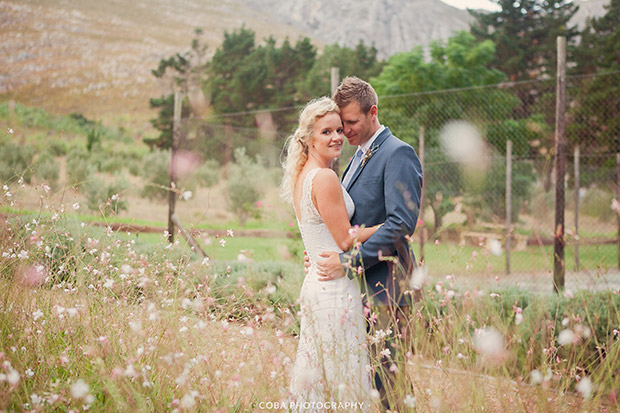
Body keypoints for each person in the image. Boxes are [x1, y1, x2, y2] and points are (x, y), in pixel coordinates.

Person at [314, 76, 423, 408]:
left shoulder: (398, 153)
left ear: (372, 112)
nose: (344, 131)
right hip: (356, 291)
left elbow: (401, 226)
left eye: (351, 122)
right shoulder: (355, 158)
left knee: (388, 383)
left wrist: (347, 264)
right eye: (340, 123)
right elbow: (349, 223)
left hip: (386, 288)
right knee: (363, 381)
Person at [281, 97, 381, 409]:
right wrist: (391, 227)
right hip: (333, 289)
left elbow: (319, 235)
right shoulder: (323, 177)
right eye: (326, 131)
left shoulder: (303, 175)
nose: (337, 136)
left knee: (320, 379)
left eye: (339, 129)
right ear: (309, 138)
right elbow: (345, 240)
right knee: (346, 380)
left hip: (316, 282)